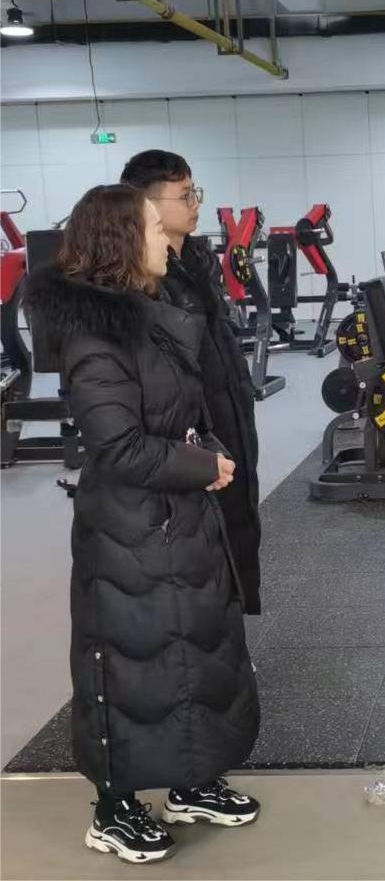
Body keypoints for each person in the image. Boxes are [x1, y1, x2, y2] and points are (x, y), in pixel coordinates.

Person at [24, 185, 260, 865]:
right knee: (130, 667)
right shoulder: (95, 334)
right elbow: (117, 445)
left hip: (180, 519)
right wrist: (201, 466)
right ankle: (113, 808)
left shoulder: (152, 316)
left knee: (194, 654)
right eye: (156, 227)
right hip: (129, 532)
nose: (166, 238)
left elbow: (182, 410)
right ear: (124, 241)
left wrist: (208, 450)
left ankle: (191, 782)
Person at [120, 151, 263, 615]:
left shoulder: (199, 261)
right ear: (146, 206)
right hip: (192, 440)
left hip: (230, 417)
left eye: (194, 192)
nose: (195, 203)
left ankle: (230, 634)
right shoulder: (146, 281)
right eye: (184, 196)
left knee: (238, 535)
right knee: (200, 558)